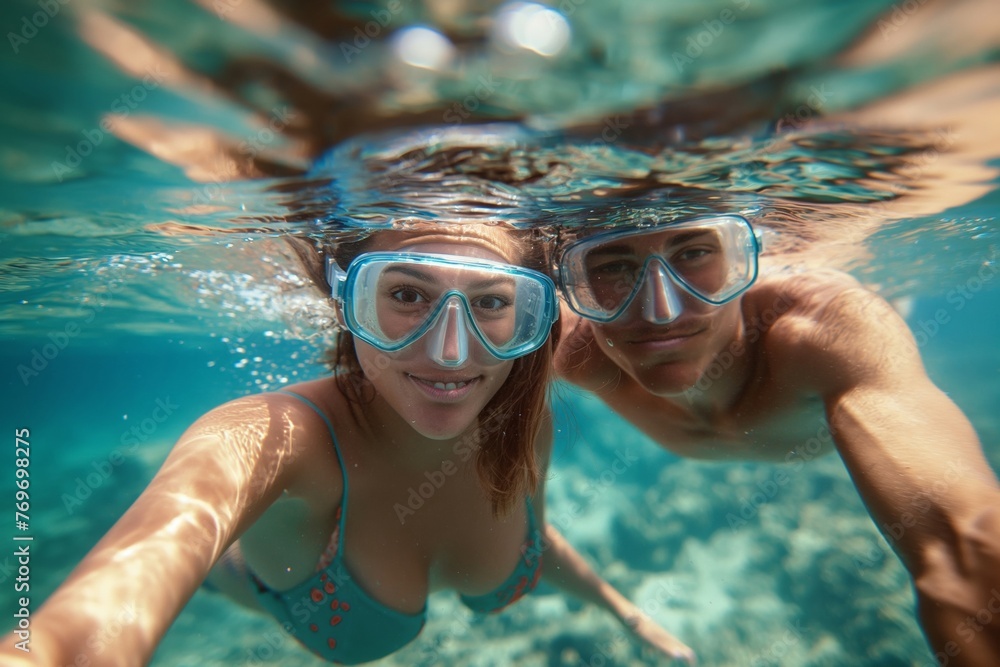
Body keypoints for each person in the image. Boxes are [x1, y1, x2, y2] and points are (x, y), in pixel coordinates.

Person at [1, 220, 696, 666]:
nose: (452, 353)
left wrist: (622, 609)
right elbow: (84, 629)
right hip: (238, 573)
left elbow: (535, 542)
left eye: (491, 302)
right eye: (405, 295)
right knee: (219, 568)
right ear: (347, 303)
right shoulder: (267, 436)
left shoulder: (525, 421)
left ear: (532, 313)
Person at [552, 209, 1000, 664]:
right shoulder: (570, 350)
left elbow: (961, 547)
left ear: (742, 260)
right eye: (610, 266)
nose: (661, 310)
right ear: (573, 283)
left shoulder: (824, 330)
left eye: (694, 254)